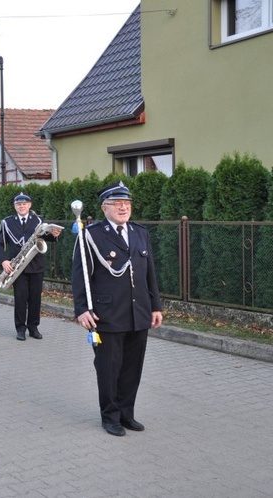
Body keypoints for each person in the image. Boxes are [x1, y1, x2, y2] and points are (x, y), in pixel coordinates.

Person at [71, 181, 163, 437]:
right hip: (107, 314)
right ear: (104, 208)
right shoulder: (91, 234)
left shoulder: (139, 232)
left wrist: (155, 306)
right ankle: (110, 416)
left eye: (127, 203)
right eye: (117, 203)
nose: (124, 208)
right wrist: (82, 309)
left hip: (139, 313)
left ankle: (126, 413)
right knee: (109, 368)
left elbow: (149, 273)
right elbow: (80, 276)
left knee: (133, 367)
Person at [0, 192, 62, 341]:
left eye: (24, 203)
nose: (22, 206)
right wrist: (4, 261)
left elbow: (46, 237)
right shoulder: (7, 222)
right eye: (19, 204)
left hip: (36, 266)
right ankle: (20, 329)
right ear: (15, 206)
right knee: (20, 298)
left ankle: (33, 328)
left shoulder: (39, 220)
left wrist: (54, 235)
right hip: (17, 267)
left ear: (30, 205)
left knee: (35, 299)